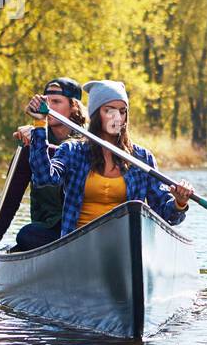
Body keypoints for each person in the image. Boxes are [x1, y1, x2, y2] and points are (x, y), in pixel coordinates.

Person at [25, 79, 194, 236]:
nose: (117, 118)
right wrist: (40, 125)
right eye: (109, 111)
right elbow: (43, 178)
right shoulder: (73, 151)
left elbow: (166, 215)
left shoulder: (142, 158)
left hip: (126, 241)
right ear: (96, 115)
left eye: (122, 111)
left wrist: (179, 203)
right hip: (79, 243)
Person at [0, 76, 87, 267]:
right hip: (50, 231)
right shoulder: (30, 144)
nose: (48, 108)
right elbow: (11, 197)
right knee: (27, 235)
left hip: (85, 227)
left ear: (73, 107)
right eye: (46, 102)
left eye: (56, 102)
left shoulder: (90, 144)